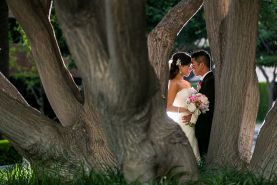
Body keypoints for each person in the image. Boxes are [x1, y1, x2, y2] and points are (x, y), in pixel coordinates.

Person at [167, 52, 200, 162]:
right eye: (188, 66)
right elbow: (168, 107)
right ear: (180, 66)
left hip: (193, 120)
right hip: (183, 121)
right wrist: (186, 110)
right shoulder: (173, 83)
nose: (190, 69)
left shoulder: (187, 83)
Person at [186, 50, 215, 158]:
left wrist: (193, 115)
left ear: (201, 64)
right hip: (201, 129)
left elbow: (209, 108)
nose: (192, 69)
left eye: (193, 65)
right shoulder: (205, 80)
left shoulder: (210, 81)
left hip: (206, 129)